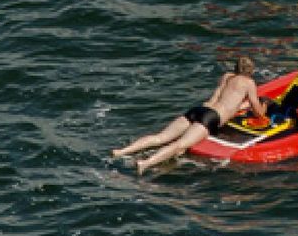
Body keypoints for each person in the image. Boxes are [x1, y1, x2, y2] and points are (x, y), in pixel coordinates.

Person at [111, 57, 267, 174]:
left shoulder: (227, 77)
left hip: (199, 110)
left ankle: (122, 151)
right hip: (212, 117)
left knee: (161, 137)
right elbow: (257, 110)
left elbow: (223, 98)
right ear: (250, 72)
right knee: (180, 145)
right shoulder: (249, 83)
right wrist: (264, 110)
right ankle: (146, 163)